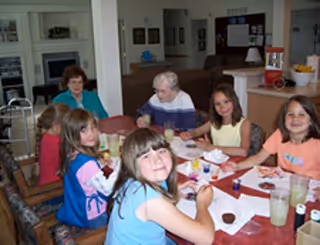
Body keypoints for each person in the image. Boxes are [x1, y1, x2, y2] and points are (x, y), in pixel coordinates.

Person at [105, 128, 215, 245]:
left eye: (162, 151)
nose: (158, 160)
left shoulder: (133, 180)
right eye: (146, 156)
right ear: (133, 165)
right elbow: (206, 238)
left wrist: (175, 189)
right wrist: (202, 204)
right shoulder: (150, 201)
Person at [222, 95, 320, 180]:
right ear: (283, 118)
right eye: (290, 114)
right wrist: (237, 166)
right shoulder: (279, 135)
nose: (295, 119)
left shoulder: (317, 145)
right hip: (284, 186)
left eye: (301, 115)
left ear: (311, 120)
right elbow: (257, 158)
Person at [56, 108, 119, 228]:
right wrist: (120, 169)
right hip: (94, 216)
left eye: (93, 128)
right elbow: (106, 189)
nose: (91, 134)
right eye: (84, 130)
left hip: (77, 207)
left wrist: (99, 164)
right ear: (72, 134)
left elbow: (85, 177)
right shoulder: (87, 164)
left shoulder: (73, 154)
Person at [180, 83, 251, 157]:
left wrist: (211, 147)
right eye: (218, 104)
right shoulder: (214, 122)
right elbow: (197, 131)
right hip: (216, 160)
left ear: (234, 101)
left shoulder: (244, 123)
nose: (222, 107)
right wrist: (188, 134)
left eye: (226, 102)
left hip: (234, 163)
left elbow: (243, 151)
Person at [36, 103, 70, 186]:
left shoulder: (46, 137)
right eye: (66, 126)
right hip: (54, 188)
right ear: (55, 126)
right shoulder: (56, 142)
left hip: (46, 184)